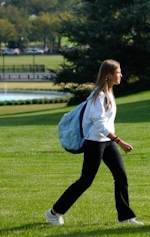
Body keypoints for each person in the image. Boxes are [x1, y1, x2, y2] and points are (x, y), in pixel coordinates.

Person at [45, 59, 143, 226]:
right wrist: (119, 141)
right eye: (118, 72)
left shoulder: (109, 93)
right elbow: (99, 123)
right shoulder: (99, 95)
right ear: (110, 74)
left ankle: (125, 217)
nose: (121, 75)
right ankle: (53, 212)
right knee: (86, 181)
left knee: (121, 176)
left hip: (107, 142)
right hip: (95, 142)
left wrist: (113, 140)